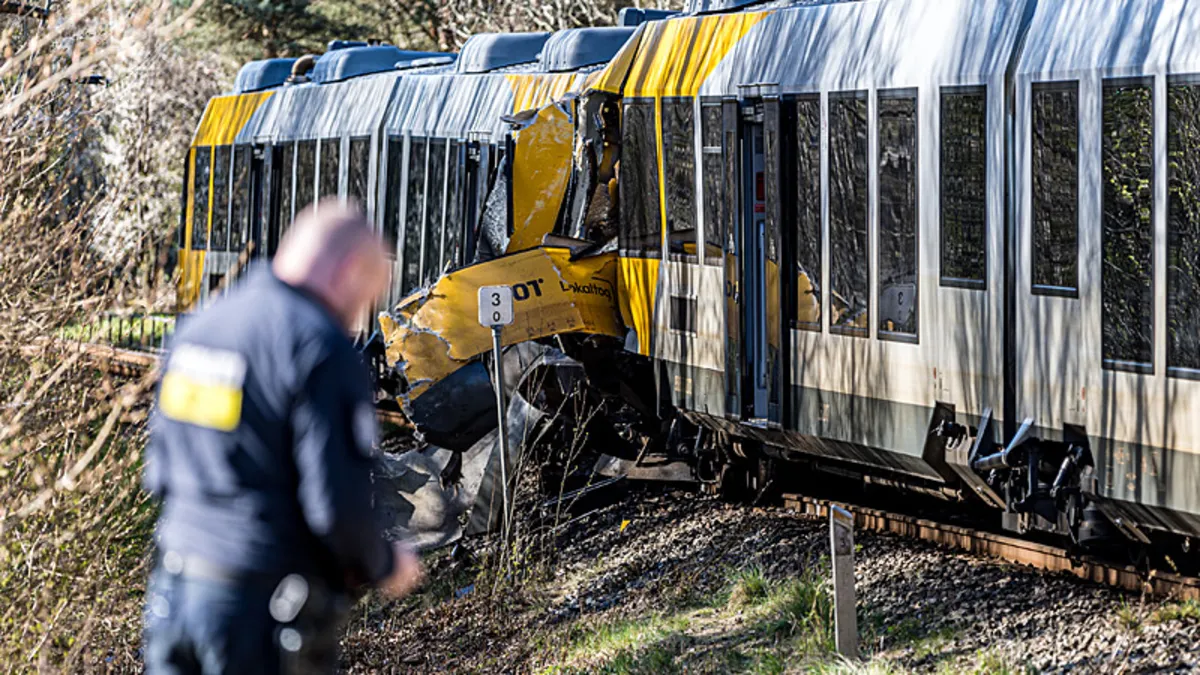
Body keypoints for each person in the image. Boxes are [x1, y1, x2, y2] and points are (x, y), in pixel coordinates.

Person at [143, 199, 422, 674]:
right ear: (351, 270)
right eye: (364, 297)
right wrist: (384, 563)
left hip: (174, 593)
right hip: (259, 611)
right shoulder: (317, 346)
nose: (355, 318)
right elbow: (335, 505)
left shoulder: (204, 326)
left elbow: (160, 468)